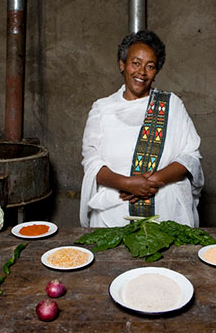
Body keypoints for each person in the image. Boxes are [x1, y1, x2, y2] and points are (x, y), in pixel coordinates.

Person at [80, 30, 203, 227]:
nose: (142, 72)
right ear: (122, 64)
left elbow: (190, 156)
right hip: (113, 214)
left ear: (157, 72)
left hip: (166, 213)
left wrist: (151, 182)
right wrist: (126, 183)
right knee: (112, 258)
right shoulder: (102, 109)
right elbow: (92, 162)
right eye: (136, 63)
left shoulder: (171, 105)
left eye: (150, 66)